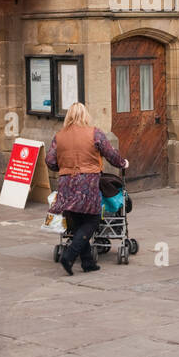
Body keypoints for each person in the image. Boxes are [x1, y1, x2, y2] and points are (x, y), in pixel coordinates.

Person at [45, 102, 128, 276]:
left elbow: (50, 161)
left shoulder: (59, 136)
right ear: (85, 116)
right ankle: (69, 256)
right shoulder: (94, 133)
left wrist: (64, 169)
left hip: (66, 183)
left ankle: (88, 262)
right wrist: (123, 163)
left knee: (76, 220)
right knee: (92, 219)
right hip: (88, 182)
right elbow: (110, 154)